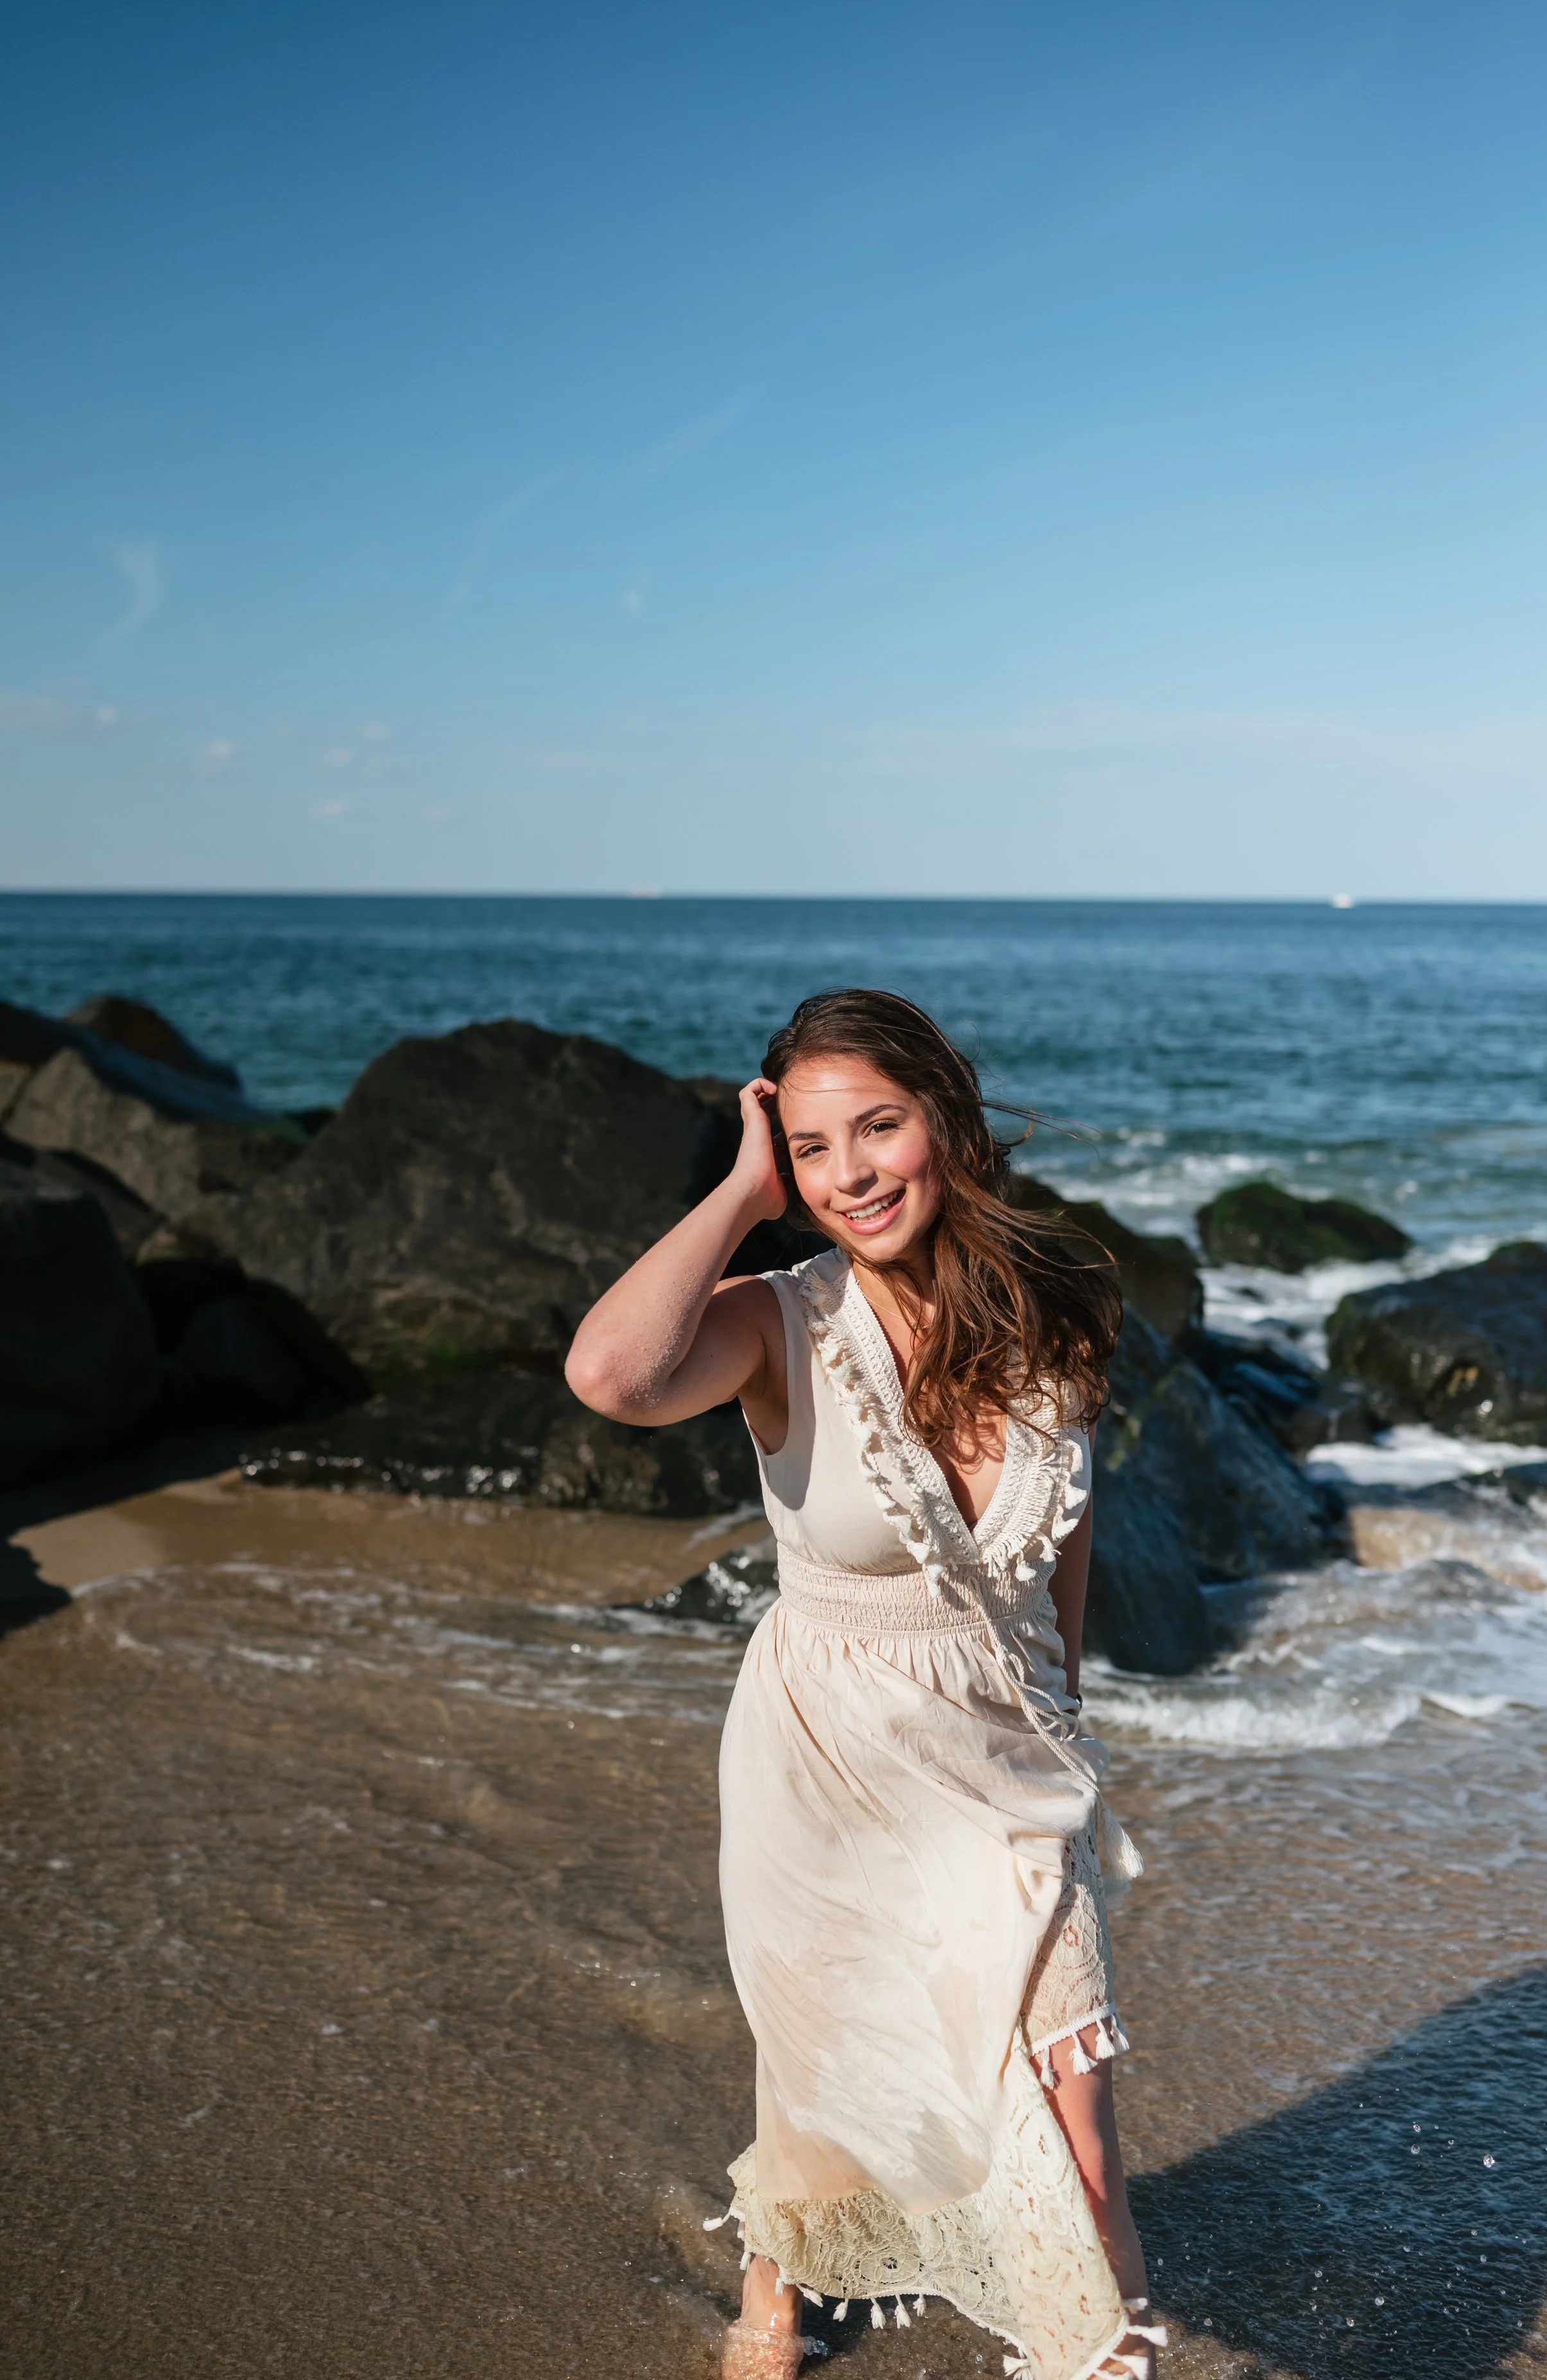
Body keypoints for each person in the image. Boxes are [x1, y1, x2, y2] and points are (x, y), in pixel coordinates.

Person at [566, 991, 1163, 2380]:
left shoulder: (1057, 1313)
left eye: (878, 1128)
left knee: (1080, 2116)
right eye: (816, 1147)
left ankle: (1100, 2354)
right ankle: (773, 2299)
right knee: (830, 2059)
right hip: (823, 1749)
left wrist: (1064, 1719)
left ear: (944, 1123)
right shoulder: (775, 1322)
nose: (851, 1175)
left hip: (1007, 1756)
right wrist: (738, 1191)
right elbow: (610, 1372)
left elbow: (1065, 1538)